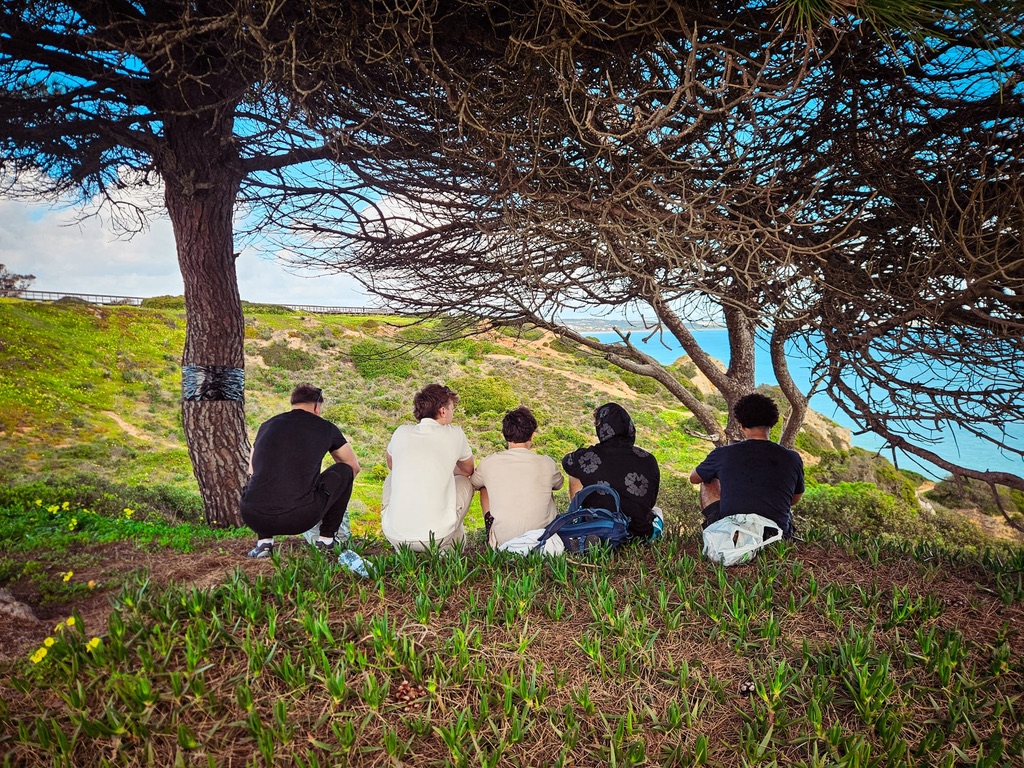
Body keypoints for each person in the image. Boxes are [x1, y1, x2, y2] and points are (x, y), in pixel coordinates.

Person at [241, 383, 361, 558]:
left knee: (262, 477)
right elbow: (353, 466)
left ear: (293, 403)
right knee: (345, 470)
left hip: (253, 516)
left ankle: (264, 544)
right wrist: (323, 493)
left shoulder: (266, 426)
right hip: (299, 518)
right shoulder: (326, 427)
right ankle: (326, 540)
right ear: (317, 406)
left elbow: (252, 471)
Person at [689, 392, 804, 537]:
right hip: (776, 534)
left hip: (733, 532)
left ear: (741, 425)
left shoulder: (722, 453)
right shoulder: (793, 458)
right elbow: (794, 499)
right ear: (772, 423)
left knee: (707, 478)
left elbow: (694, 478)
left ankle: (719, 528)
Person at [382, 384, 475, 552]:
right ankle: (449, 545)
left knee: (392, 475)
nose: (453, 412)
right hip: (435, 537)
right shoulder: (455, 433)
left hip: (394, 536)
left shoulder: (400, 431)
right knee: (464, 482)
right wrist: (444, 471)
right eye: (452, 408)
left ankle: (404, 541)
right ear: (443, 411)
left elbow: (391, 464)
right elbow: (467, 470)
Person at [562, 402, 660, 540]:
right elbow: (651, 501)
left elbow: (567, 461)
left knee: (574, 471)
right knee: (657, 512)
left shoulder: (585, 458)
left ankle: (577, 517)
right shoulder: (649, 459)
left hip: (598, 531)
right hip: (640, 533)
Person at [471, 406, 564, 548]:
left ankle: (491, 534)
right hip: (543, 541)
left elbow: (473, 483)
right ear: (532, 435)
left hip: (504, 542)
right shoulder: (547, 462)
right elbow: (559, 484)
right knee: (548, 486)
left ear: (505, 435)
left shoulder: (488, 463)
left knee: (484, 487)